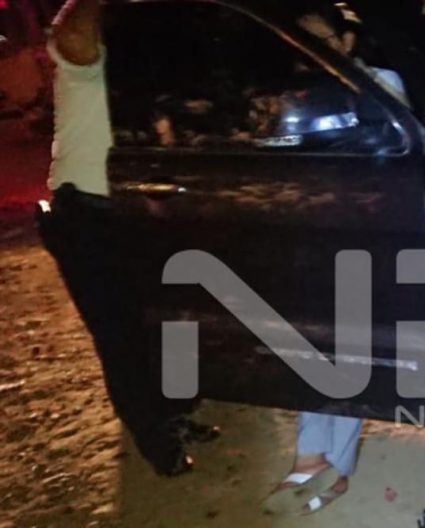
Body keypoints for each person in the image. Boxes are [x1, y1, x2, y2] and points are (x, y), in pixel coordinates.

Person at [41, 0, 219, 477]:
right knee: (121, 336)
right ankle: (153, 435)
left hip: (145, 210)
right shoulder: (89, 63)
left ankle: (176, 413)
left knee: (173, 324)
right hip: (89, 215)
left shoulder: (149, 72)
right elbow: (70, 35)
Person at [262, 2, 410, 515]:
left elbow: (398, 155)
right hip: (317, 230)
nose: (312, 53)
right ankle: (311, 456)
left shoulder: (383, 84)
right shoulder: (297, 94)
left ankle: (334, 466)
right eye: (300, 43)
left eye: (322, 40)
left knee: (349, 350)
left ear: (346, 42)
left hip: (371, 229)